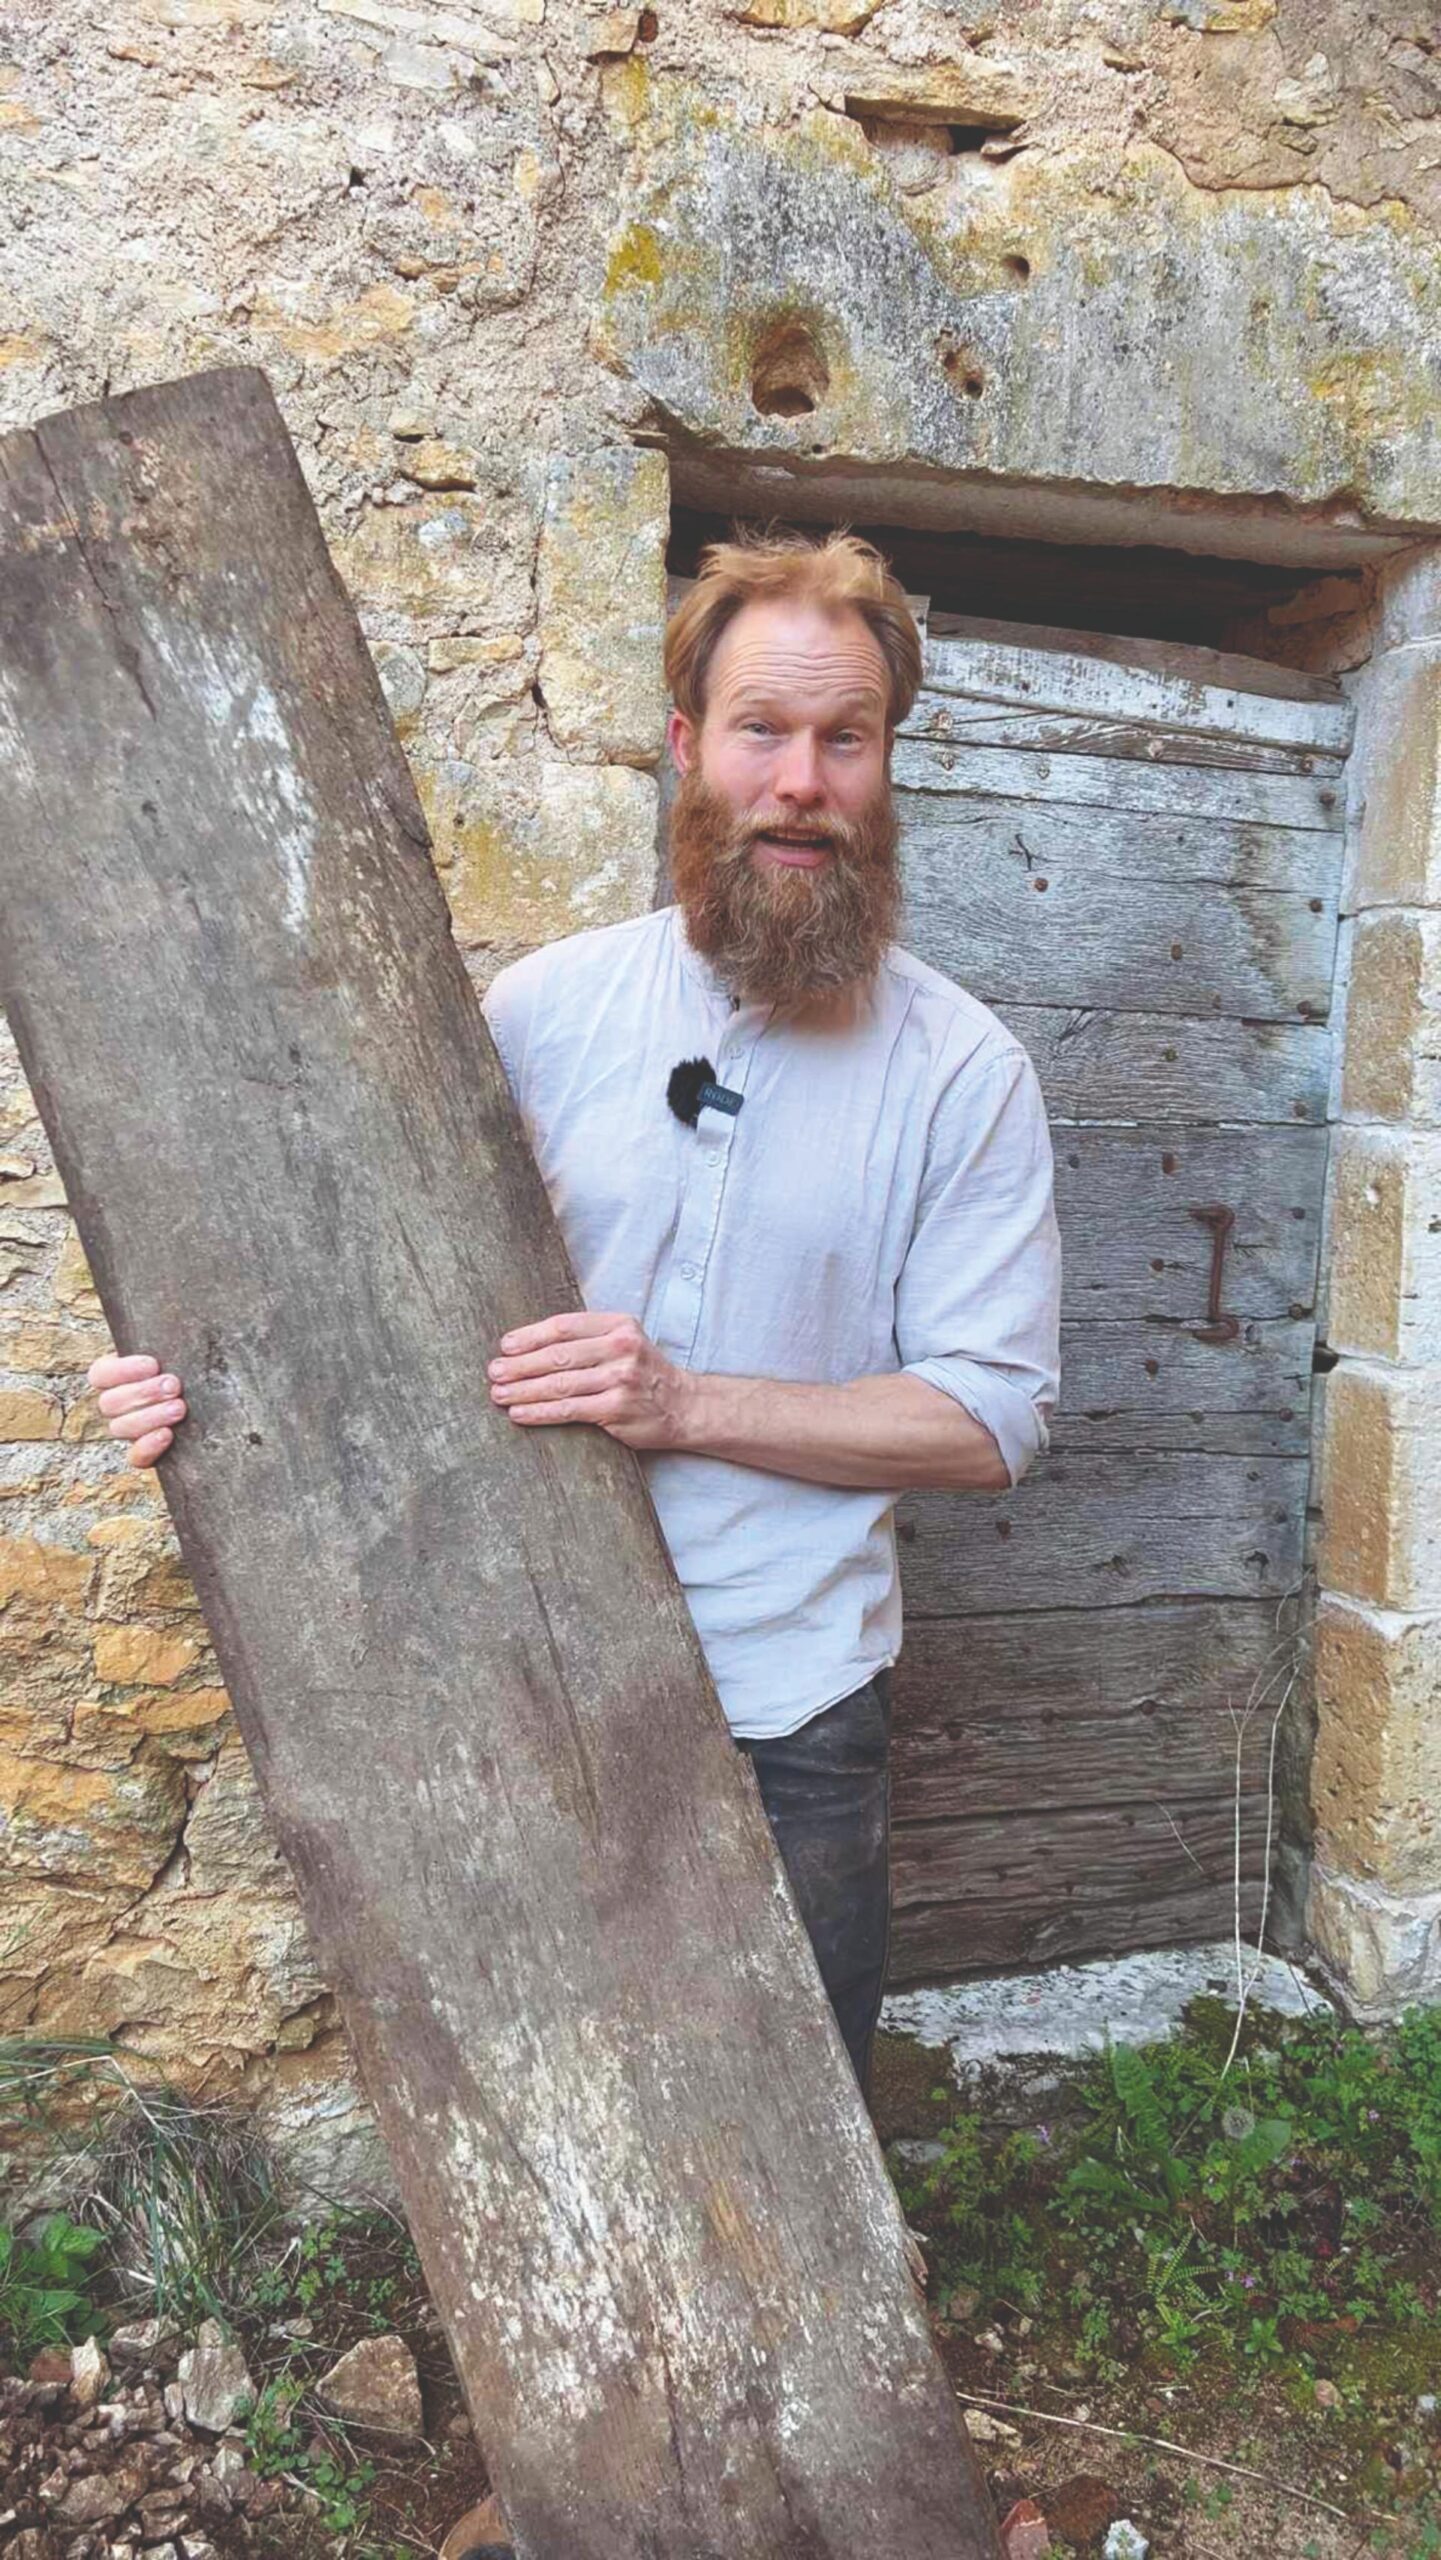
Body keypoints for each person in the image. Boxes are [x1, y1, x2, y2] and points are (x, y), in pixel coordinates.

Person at [88, 527, 1062, 2105]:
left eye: (844, 738)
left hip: (791, 1706)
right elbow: (367, 1297)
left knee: (792, 2128)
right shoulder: (543, 1011)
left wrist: (688, 1404)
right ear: (685, 745)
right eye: (759, 729)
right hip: (513, 1661)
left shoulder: (964, 1074)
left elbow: (987, 1419)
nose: (799, 781)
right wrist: (195, 1392)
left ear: (887, 764)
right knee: (547, 2113)